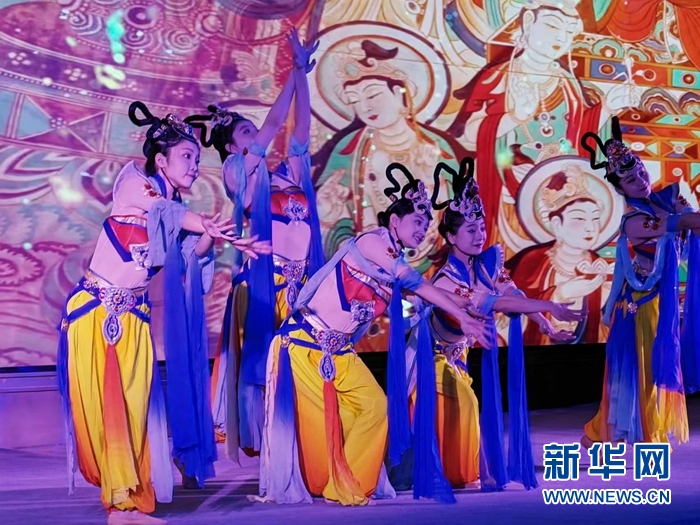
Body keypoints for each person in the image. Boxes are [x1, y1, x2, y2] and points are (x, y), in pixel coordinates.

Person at [55, 102, 271, 524]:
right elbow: (164, 212)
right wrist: (205, 225)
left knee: (137, 411)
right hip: (97, 313)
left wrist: (217, 237)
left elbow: (191, 259)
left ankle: (132, 501)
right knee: (112, 409)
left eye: (197, 158)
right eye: (186, 156)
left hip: (134, 319)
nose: (194, 165)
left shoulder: (177, 214)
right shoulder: (134, 182)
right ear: (161, 160)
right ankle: (120, 507)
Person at [256, 162, 493, 506]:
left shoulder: (392, 264)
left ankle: (344, 485)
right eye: (417, 222)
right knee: (320, 432)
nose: (422, 230)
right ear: (394, 221)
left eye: (426, 224)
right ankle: (338, 484)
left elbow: (427, 293)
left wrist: (465, 307)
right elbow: (416, 283)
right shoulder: (372, 243)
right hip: (302, 346)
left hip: (339, 353)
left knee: (374, 407)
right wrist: (459, 314)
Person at [398, 157, 579, 496]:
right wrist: (547, 305)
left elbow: (512, 294)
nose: (479, 235)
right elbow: (496, 303)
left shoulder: (486, 265)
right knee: (467, 403)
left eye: (481, 227)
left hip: (457, 356)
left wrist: (546, 324)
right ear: (451, 236)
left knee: (459, 406)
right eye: (470, 230)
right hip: (427, 357)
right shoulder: (446, 280)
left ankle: (453, 470)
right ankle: (460, 473)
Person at [186, 29, 324, 460]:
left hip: (301, 285)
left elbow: (300, 127)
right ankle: (272, 447)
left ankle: (302, 441)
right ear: (232, 145)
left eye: (254, 130)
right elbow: (275, 125)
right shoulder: (237, 170)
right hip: (266, 285)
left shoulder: (289, 174)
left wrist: (301, 74)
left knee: (304, 366)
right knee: (267, 368)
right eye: (247, 131)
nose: (257, 133)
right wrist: (294, 72)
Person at [580, 117, 700, 448]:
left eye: (641, 172)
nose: (641, 180)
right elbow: (682, 222)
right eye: (631, 180)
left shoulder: (668, 197)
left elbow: (692, 225)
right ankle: (616, 435)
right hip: (636, 307)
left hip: (662, 304)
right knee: (638, 375)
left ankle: (621, 435)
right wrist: (686, 218)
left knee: (657, 371)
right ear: (620, 189)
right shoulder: (633, 221)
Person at [505, 167, 611, 344]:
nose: (590, 228)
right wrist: (561, 293)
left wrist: (607, 297)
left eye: (595, 218)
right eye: (579, 219)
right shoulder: (533, 261)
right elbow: (510, 309)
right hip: (535, 353)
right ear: (556, 224)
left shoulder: (598, 264)